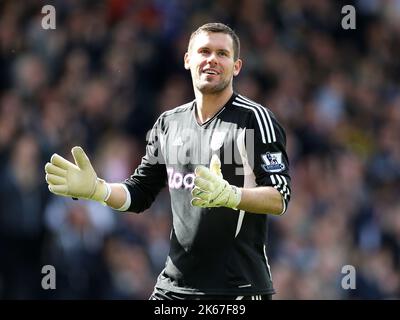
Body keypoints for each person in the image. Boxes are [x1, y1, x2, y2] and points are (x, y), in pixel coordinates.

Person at [45, 22, 291, 300]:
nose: (212, 59)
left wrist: (231, 195)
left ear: (236, 66)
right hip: (174, 289)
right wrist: (97, 190)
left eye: (222, 54)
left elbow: (279, 197)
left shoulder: (255, 120)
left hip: (237, 290)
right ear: (188, 60)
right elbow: (139, 193)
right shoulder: (168, 124)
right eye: (204, 51)